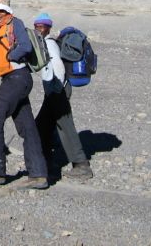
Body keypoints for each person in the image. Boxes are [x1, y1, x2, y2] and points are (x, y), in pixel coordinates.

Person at [0, 0, 49, 189]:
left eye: (1, 11)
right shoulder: (1, 28)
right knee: (27, 126)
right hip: (15, 79)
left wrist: (10, 56)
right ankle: (38, 174)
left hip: (16, 79)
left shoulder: (15, 24)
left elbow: (24, 46)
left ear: (7, 12)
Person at [33, 12, 93, 179]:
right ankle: (46, 162)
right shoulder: (44, 42)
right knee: (42, 126)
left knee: (65, 126)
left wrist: (56, 88)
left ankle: (82, 165)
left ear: (48, 27)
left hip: (58, 89)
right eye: (37, 26)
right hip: (55, 90)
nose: (39, 28)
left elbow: (57, 67)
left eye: (42, 26)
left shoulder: (49, 43)